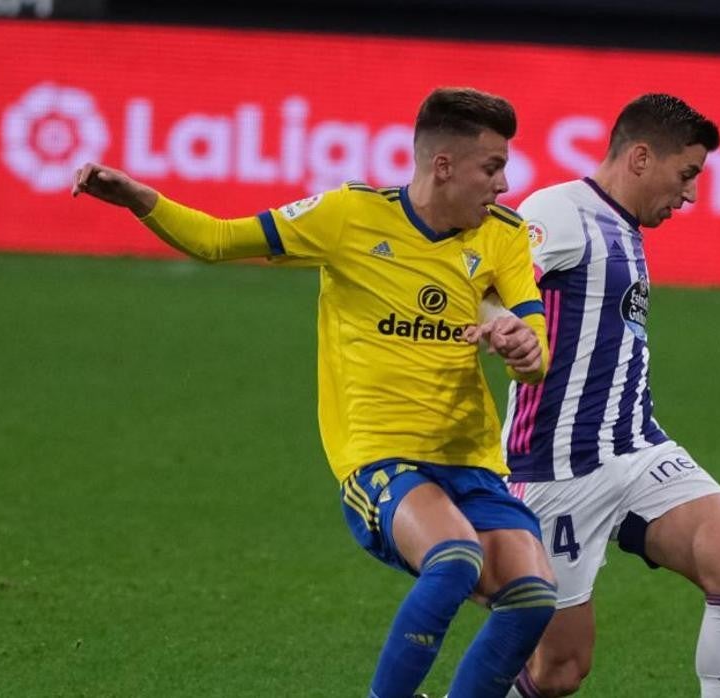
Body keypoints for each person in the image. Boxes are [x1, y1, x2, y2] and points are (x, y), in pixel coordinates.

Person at [72, 87, 559, 698]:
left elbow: (533, 346)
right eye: (492, 167)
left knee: (532, 599)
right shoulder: (349, 216)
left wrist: (523, 346)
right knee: (455, 558)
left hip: (472, 460)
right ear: (444, 165)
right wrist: (141, 199)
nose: (505, 185)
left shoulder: (505, 236)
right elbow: (219, 240)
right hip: (381, 458)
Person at [489, 94, 720, 697]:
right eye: (685, 174)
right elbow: (487, 277)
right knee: (559, 671)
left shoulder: (625, 226)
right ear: (641, 157)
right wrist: (501, 322)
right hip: (556, 468)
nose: (690, 194)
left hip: (637, 448)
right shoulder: (560, 211)